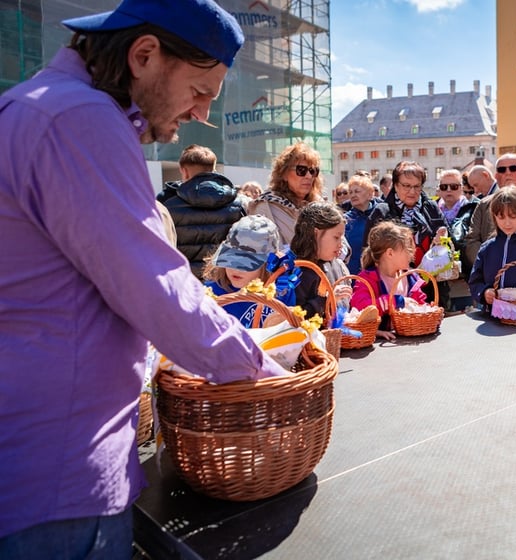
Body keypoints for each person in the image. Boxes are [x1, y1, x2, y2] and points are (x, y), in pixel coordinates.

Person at [0, 1, 290, 556]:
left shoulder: (46, 108)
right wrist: (264, 371)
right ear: (144, 55)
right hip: (55, 479)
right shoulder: (79, 119)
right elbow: (156, 287)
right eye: (201, 89)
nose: (204, 112)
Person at [364, 160, 449, 308]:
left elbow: (449, 237)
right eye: (406, 186)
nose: (412, 191)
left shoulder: (431, 207)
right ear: (395, 185)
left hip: (431, 283)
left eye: (417, 186)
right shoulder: (382, 211)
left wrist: (440, 239)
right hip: (395, 285)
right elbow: (369, 250)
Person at [157, 144, 246, 278]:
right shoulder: (235, 201)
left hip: (183, 280)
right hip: (222, 280)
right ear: (214, 169)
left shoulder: (166, 201)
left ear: (184, 171)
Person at [203, 215, 297, 327]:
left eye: (245, 264)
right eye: (230, 260)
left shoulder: (282, 291)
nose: (236, 269)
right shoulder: (212, 294)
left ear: (268, 263)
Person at [465, 154, 516, 271]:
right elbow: (472, 240)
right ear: (496, 176)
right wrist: (488, 264)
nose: (507, 173)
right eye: (502, 170)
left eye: (513, 168)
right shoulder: (483, 205)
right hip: (493, 277)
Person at [351, 221, 428, 341]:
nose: (412, 254)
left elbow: (420, 304)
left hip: (408, 341)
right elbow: (359, 309)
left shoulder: (411, 278)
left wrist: (428, 312)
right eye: (407, 249)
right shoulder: (367, 279)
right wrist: (393, 301)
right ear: (390, 253)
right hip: (378, 345)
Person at [249, 142, 323, 245]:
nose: (309, 176)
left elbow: (342, 245)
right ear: (284, 174)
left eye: (313, 171)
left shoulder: (321, 207)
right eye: (301, 170)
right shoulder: (266, 207)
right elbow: (264, 251)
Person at [290, 202, 352, 320]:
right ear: (316, 233)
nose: (341, 244)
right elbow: (295, 318)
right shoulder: (299, 271)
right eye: (336, 237)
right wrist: (326, 300)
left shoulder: (337, 265)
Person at [344, 172, 377, 274]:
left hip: (377, 274)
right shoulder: (345, 220)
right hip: (353, 275)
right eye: (350, 192)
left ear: (370, 194)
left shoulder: (381, 214)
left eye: (357, 191)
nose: (353, 195)